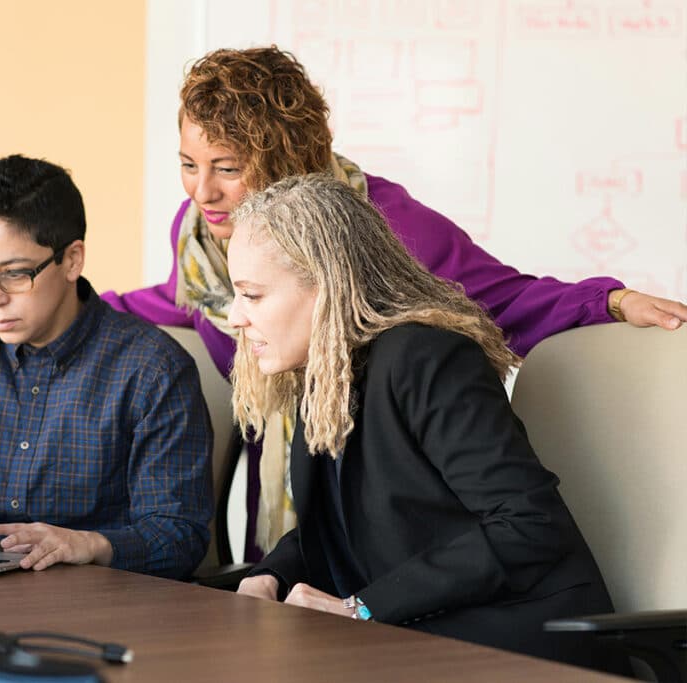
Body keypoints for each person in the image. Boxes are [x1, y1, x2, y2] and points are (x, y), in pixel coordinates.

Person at [101, 45, 687, 560]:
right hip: (297, 510)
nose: (202, 190)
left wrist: (611, 302)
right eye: (187, 164)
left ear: (282, 159)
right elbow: (185, 301)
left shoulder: (386, 226)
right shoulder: (203, 233)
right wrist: (77, 306)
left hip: (386, 513)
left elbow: (504, 300)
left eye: (227, 168)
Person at [230, 173, 628, 674]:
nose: (235, 317)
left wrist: (361, 610)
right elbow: (343, 524)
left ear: (326, 287)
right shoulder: (324, 370)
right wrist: (270, 577)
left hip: (517, 638)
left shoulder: (427, 357)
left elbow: (528, 524)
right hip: (419, 631)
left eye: (252, 295)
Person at [0, 154, 213, 580]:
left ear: (72, 260)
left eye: (15, 274)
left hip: (93, 611)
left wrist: (88, 544)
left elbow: (179, 537)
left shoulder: (153, 371)